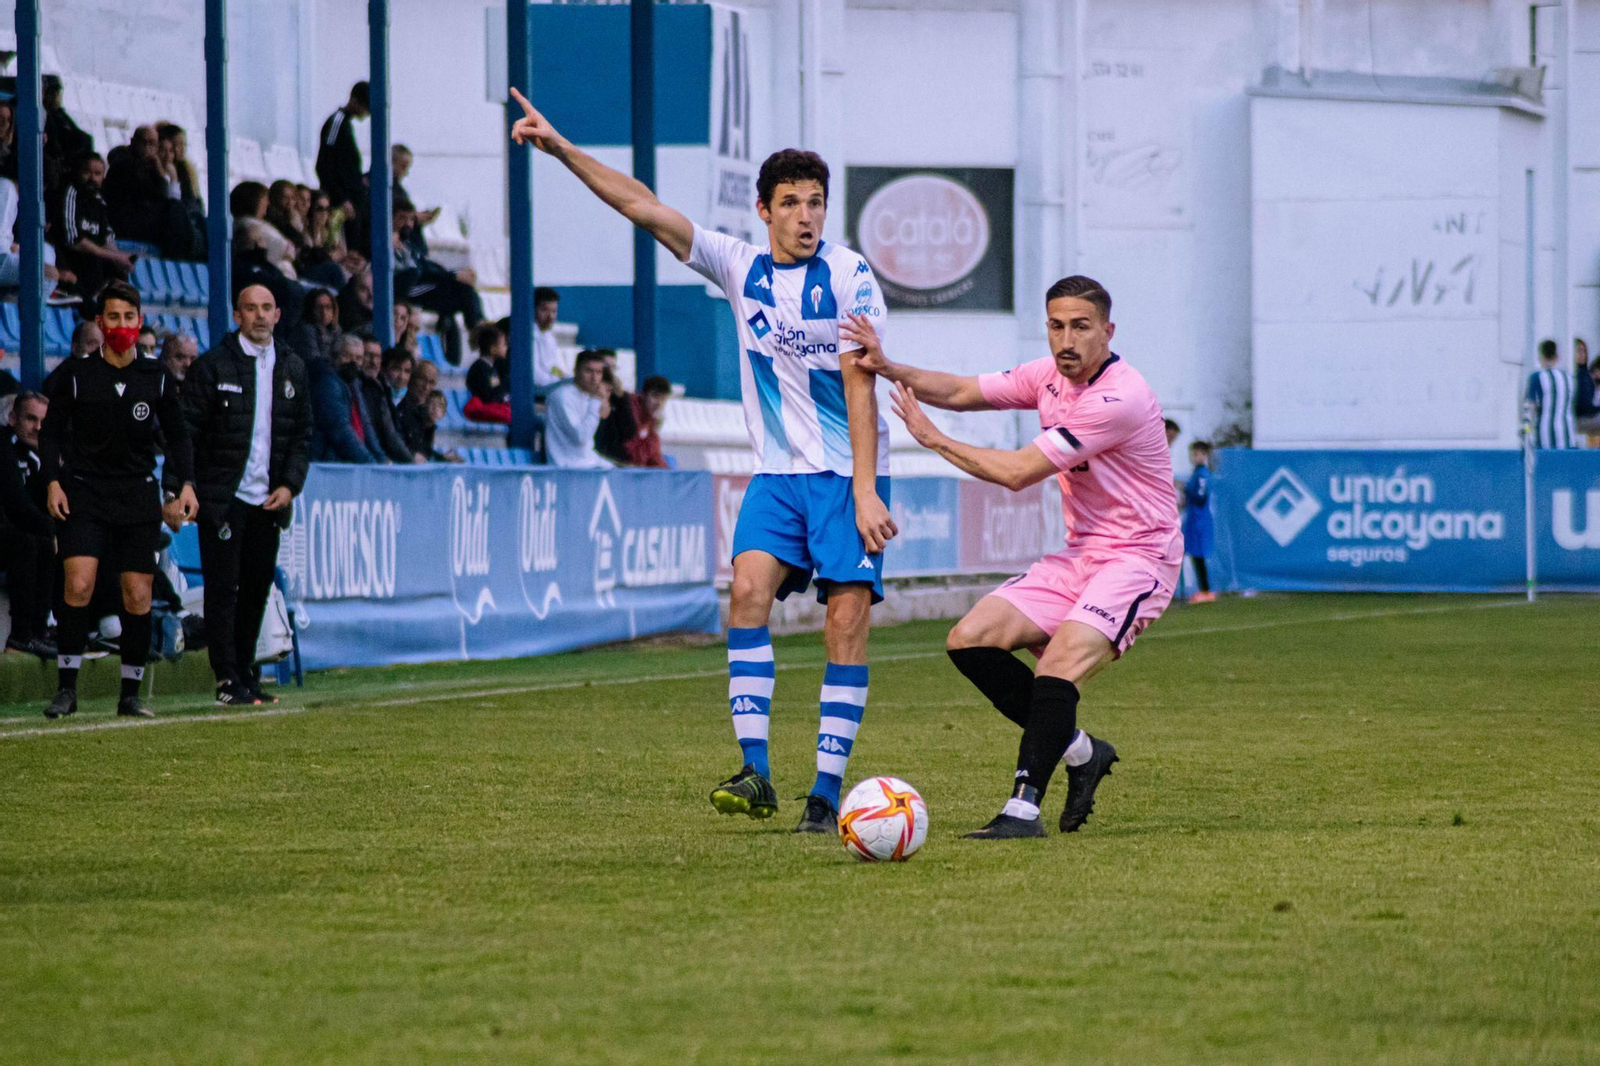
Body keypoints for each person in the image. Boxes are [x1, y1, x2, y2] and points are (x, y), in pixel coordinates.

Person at [512, 90, 898, 833]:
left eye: (816, 202)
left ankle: (825, 792)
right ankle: (756, 772)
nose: (807, 216)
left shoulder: (851, 278)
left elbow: (861, 388)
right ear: (764, 210)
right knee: (745, 595)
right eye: (792, 203)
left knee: (844, 628)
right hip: (778, 480)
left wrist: (864, 491)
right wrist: (561, 149)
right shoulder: (739, 266)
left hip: (846, 478)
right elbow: (643, 206)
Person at [843, 275, 1178, 838]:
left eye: (1080, 327)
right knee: (970, 639)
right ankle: (1080, 751)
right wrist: (888, 366)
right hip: (1081, 556)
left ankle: (1022, 810)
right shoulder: (1046, 376)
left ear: (1107, 331)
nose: (1065, 340)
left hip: (1138, 559)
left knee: (1056, 666)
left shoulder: (1120, 398)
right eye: (1056, 326)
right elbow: (959, 390)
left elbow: (1019, 473)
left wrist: (934, 440)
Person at [38, 280, 197, 719]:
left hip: (136, 495)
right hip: (84, 491)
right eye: (113, 317)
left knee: (137, 595)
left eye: (129, 317)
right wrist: (52, 481)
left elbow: (180, 437)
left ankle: (129, 694)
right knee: (79, 584)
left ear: (139, 321)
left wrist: (181, 486)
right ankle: (66, 690)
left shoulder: (156, 376)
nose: (122, 325)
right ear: (99, 322)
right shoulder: (75, 374)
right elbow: (50, 434)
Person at [182, 284, 312, 705]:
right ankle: (225, 677)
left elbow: (302, 437)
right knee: (223, 589)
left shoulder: (292, 367)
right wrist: (187, 484)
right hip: (224, 499)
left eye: (266, 308)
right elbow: (186, 432)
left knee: (257, 587)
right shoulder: (212, 367)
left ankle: (246, 671)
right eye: (250, 309)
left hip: (269, 500)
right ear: (236, 315)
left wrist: (289, 485)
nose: (259, 316)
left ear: (277, 314)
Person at [391, 199, 482, 366]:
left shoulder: (410, 241)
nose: (408, 224)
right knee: (451, 288)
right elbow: (417, 271)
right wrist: (453, 276)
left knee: (461, 295)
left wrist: (454, 276)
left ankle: (478, 329)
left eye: (411, 220)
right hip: (406, 289)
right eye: (402, 218)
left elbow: (426, 264)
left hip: (421, 284)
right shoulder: (388, 241)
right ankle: (478, 331)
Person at [2, 391, 56, 656]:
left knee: (54, 544)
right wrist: (51, 529)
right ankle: (22, 635)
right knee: (29, 544)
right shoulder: (4, 447)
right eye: (30, 419)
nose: (37, 428)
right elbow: (15, 503)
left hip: (17, 529)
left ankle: (40, 632)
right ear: (12, 418)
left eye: (43, 422)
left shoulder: (43, 454)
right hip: (8, 530)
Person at [57, 151, 133, 301]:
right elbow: (74, 241)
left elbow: (107, 238)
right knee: (94, 261)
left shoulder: (99, 201)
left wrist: (121, 259)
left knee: (119, 275)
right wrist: (114, 256)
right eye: (87, 172)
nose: (92, 178)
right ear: (77, 172)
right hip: (68, 261)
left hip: (92, 264)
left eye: (97, 174)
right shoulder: (71, 193)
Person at [308, 333, 380, 463]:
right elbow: (340, 431)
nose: (353, 363)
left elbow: (366, 427)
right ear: (334, 356)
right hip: (328, 467)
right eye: (347, 356)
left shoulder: (353, 385)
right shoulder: (327, 383)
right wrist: (370, 462)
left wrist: (381, 459)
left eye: (358, 358)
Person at [544, 349, 613, 469]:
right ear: (576, 371)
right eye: (588, 371)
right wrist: (596, 401)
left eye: (598, 372)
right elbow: (581, 437)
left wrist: (602, 401)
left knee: (618, 472)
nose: (594, 378)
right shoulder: (562, 396)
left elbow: (604, 414)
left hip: (588, 461)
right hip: (567, 465)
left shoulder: (588, 395)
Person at [103, 125, 166, 247]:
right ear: (133, 142)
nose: (147, 147)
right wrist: (160, 173)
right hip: (126, 221)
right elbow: (160, 195)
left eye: (152, 143)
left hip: (141, 217)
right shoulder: (124, 164)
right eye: (143, 142)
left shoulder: (151, 166)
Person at [316, 83, 370, 218]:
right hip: (342, 203)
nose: (367, 113)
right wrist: (341, 199)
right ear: (355, 101)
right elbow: (324, 164)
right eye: (365, 107)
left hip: (351, 200)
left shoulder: (345, 124)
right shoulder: (337, 122)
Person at [355, 338, 412, 463]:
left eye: (378, 357)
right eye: (368, 355)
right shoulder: (355, 386)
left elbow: (391, 432)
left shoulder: (379, 388)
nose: (374, 362)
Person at [1525, 339, 1577, 450]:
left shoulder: (1537, 377)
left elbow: (1530, 407)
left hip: (1545, 437)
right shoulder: (1569, 378)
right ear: (1556, 357)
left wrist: (1526, 431)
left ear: (1541, 356)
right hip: (1567, 434)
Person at [593, 349, 639, 464]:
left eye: (613, 367)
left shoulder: (619, 398)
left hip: (615, 457)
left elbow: (630, 433)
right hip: (596, 457)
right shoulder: (588, 396)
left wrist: (621, 398)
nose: (609, 371)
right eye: (606, 366)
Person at [1183, 441, 1215, 604]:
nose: (1195, 457)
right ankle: (1203, 589)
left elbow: (1200, 497)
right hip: (1194, 519)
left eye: (1199, 454)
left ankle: (1206, 590)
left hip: (1199, 520)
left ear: (1205, 455)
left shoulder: (1201, 474)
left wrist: (1185, 490)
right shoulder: (1196, 473)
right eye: (1194, 454)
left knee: (1198, 554)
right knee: (1195, 554)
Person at [464, 321, 511, 423]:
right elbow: (489, 395)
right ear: (493, 349)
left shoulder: (490, 367)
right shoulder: (481, 368)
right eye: (504, 345)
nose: (506, 348)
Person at [623, 375, 673, 468]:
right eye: (655, 396)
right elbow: (636, 460)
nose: (659, 403)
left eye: (663, 399)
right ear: (643, 395)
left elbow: (654, 458)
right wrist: (653, 433)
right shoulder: (629, 413)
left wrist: (669, 477)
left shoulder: (651, 419)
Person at [291, 288, 342, 365]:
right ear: (311, 309)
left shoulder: (337, 330)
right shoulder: (306, 329)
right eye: (319, 308)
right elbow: (315, 361)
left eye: (328, 307)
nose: (324, 312)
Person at [533, 286, 567, 388]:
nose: (550, 316)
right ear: (533, 309)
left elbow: (553, 368)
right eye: (544, 310)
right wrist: (559, 383)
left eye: (554, 311)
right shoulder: (527, 337)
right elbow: (535, 376)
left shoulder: (549, 337)